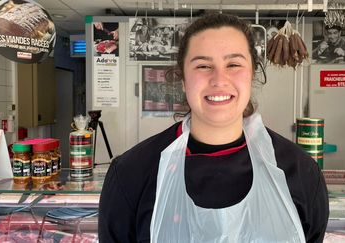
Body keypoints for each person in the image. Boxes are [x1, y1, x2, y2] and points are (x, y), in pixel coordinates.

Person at [99, 13, 329, 243]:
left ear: (251, 75)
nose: (219, 79)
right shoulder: (130, 174)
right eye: (203, 65)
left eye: (234, 64)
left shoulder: (301, 172)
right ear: (183, 80)